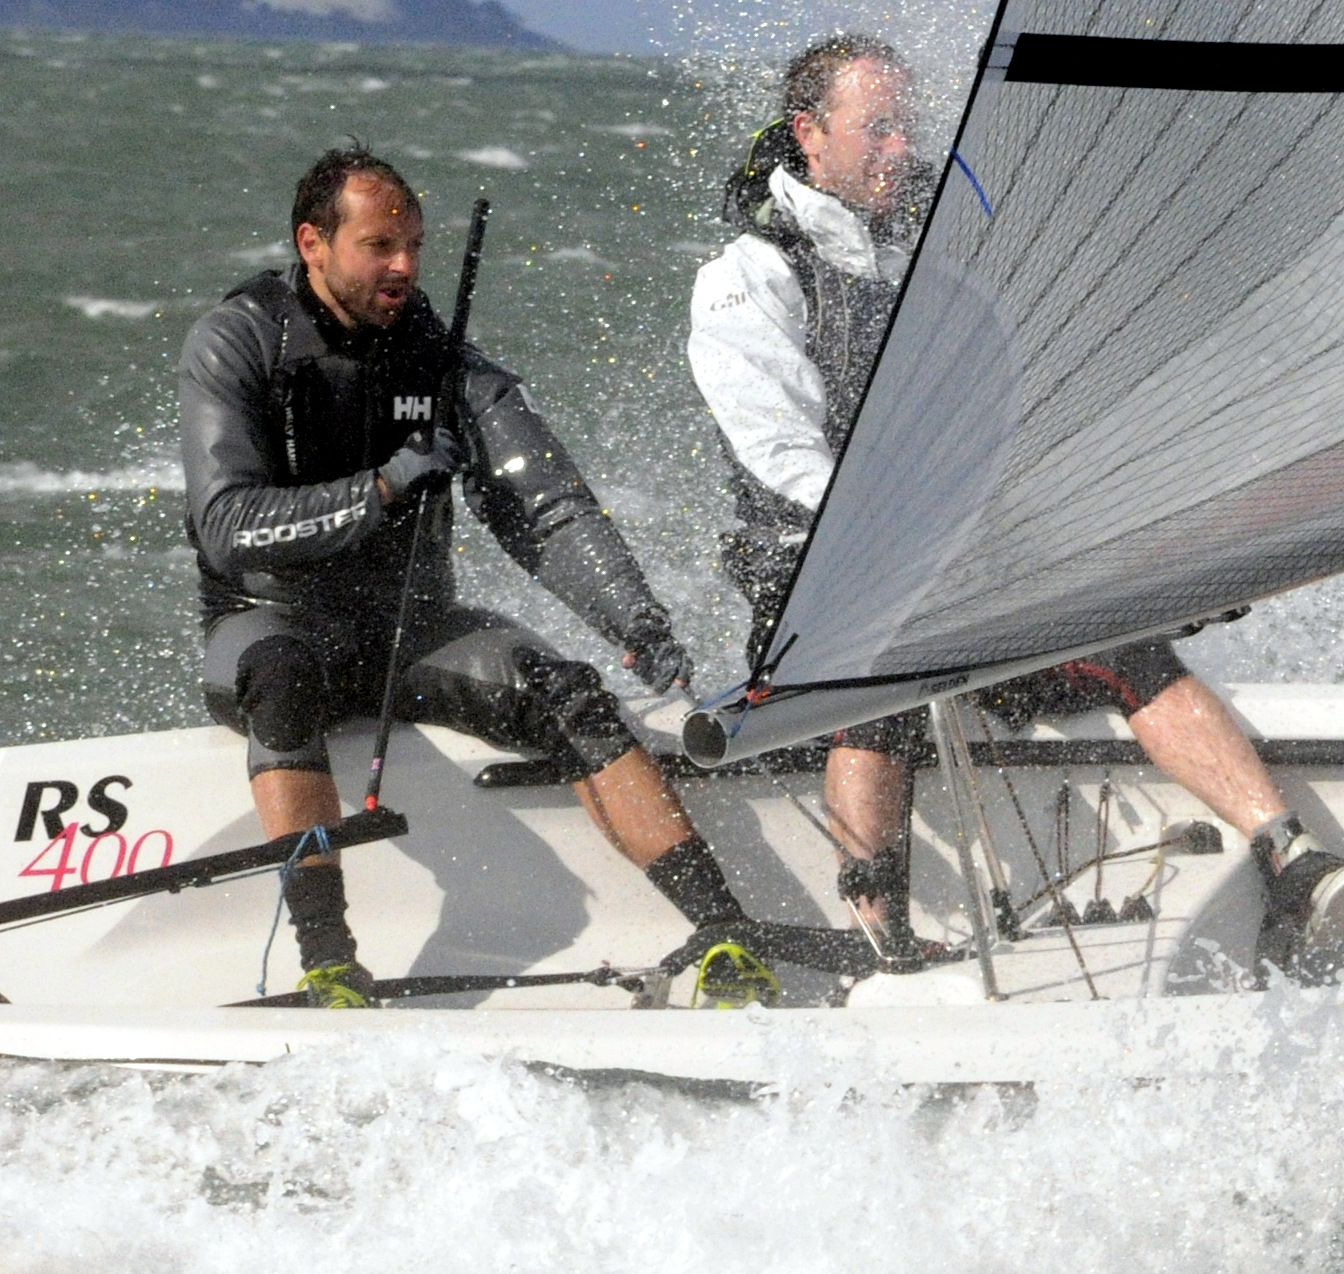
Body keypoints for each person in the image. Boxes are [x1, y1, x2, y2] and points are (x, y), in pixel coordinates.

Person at [690, 34, 1344, 976]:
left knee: (1123, 636)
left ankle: (1291, 857)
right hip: (815, 568)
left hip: (953, 561)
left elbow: (1006, 425)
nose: (903, 149)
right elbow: (781, 456)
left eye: (909, 129)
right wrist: (906, 545)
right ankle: (881, 939)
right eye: (879, 128)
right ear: (810, 133)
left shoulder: (928, 261)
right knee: (873, 673)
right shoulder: (747, 276)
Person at [184, 146, 852, 1009]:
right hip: (270, 621)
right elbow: (228, 525)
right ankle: (329, 965)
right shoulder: (237, 340)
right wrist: (380, 489)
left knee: (568, 692)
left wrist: (635, 621)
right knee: (282, 680)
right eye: (379, 246)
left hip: (407, 629)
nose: (404, 267)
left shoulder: (441, 358)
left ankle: (727, 935)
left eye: (415, 246)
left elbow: (547, 509)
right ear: (313, 243)